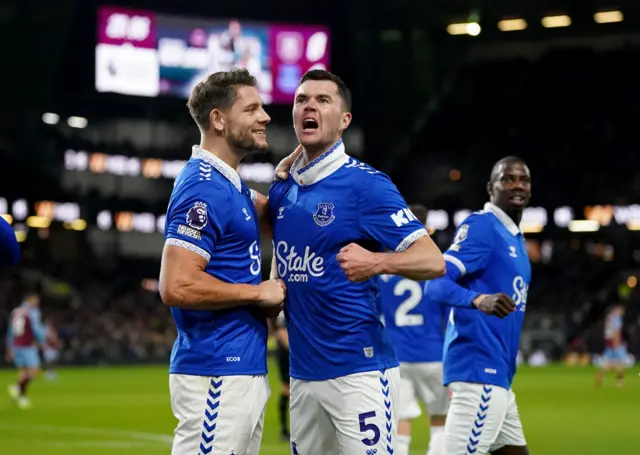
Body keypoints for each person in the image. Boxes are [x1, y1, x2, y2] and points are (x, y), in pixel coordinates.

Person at [269, 69, 446, 455]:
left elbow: (432, 261)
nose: (309, 106)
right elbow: (281, 254)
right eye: (302, 100)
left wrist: (377, 263)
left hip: (359, 372)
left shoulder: (367, 185)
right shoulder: (283, 189)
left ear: (345, 120)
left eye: (322, 100)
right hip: (302, 376)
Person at [159, 68, 287, 455]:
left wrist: (296, 178)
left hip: (240, 369)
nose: (264, 116)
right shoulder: (204, 187)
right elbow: (176, 285)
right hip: (216, 370)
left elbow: (277, 218)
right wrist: (256, 293)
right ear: (218, 119)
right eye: (251, 109)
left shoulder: (229, 185)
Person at [426, 156, 532, 455]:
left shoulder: (514, 238)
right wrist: (477, 299)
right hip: (478, 374)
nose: (517, 185)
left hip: (497, 377)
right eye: (508, 179)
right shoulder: (484, 227)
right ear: (491, 187)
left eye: (523, 180)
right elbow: (435, 283)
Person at [377, 204, 450, 455]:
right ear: (426, 228)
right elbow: (450, 318)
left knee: (401, 420)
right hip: (433, 354)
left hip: (397, 356)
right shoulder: (437, 269)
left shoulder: (386, 269)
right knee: (441, 420)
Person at [6, 292, 45, 409]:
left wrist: (10, 347)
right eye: (35, 300)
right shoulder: (32, 312)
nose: (37, 302)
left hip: (16, 345)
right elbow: (36, 328)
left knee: (23, 372)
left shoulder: (15, 311)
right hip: (27, 346)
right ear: (30, 300)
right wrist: (42, 340)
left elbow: (11, 331)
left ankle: (21, 397)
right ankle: (17, 388)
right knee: (34, 371)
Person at [596, 304, 627, 388]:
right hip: (615, 343)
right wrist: (616, 344)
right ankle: (619, 382)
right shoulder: (617, 319)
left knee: (609, 364)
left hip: (608, 342)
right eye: (621, 310)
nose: (622, 312)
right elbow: (616, 331)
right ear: (617, 310)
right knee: (620, 363)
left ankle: (601, 373)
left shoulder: (609, 317)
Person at [271, 311, 291, 441]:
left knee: (289, 390)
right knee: (287, 389)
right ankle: (284, 431)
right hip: (286, 353)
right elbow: (282, 333)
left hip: (287, 351)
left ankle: (286, 431)